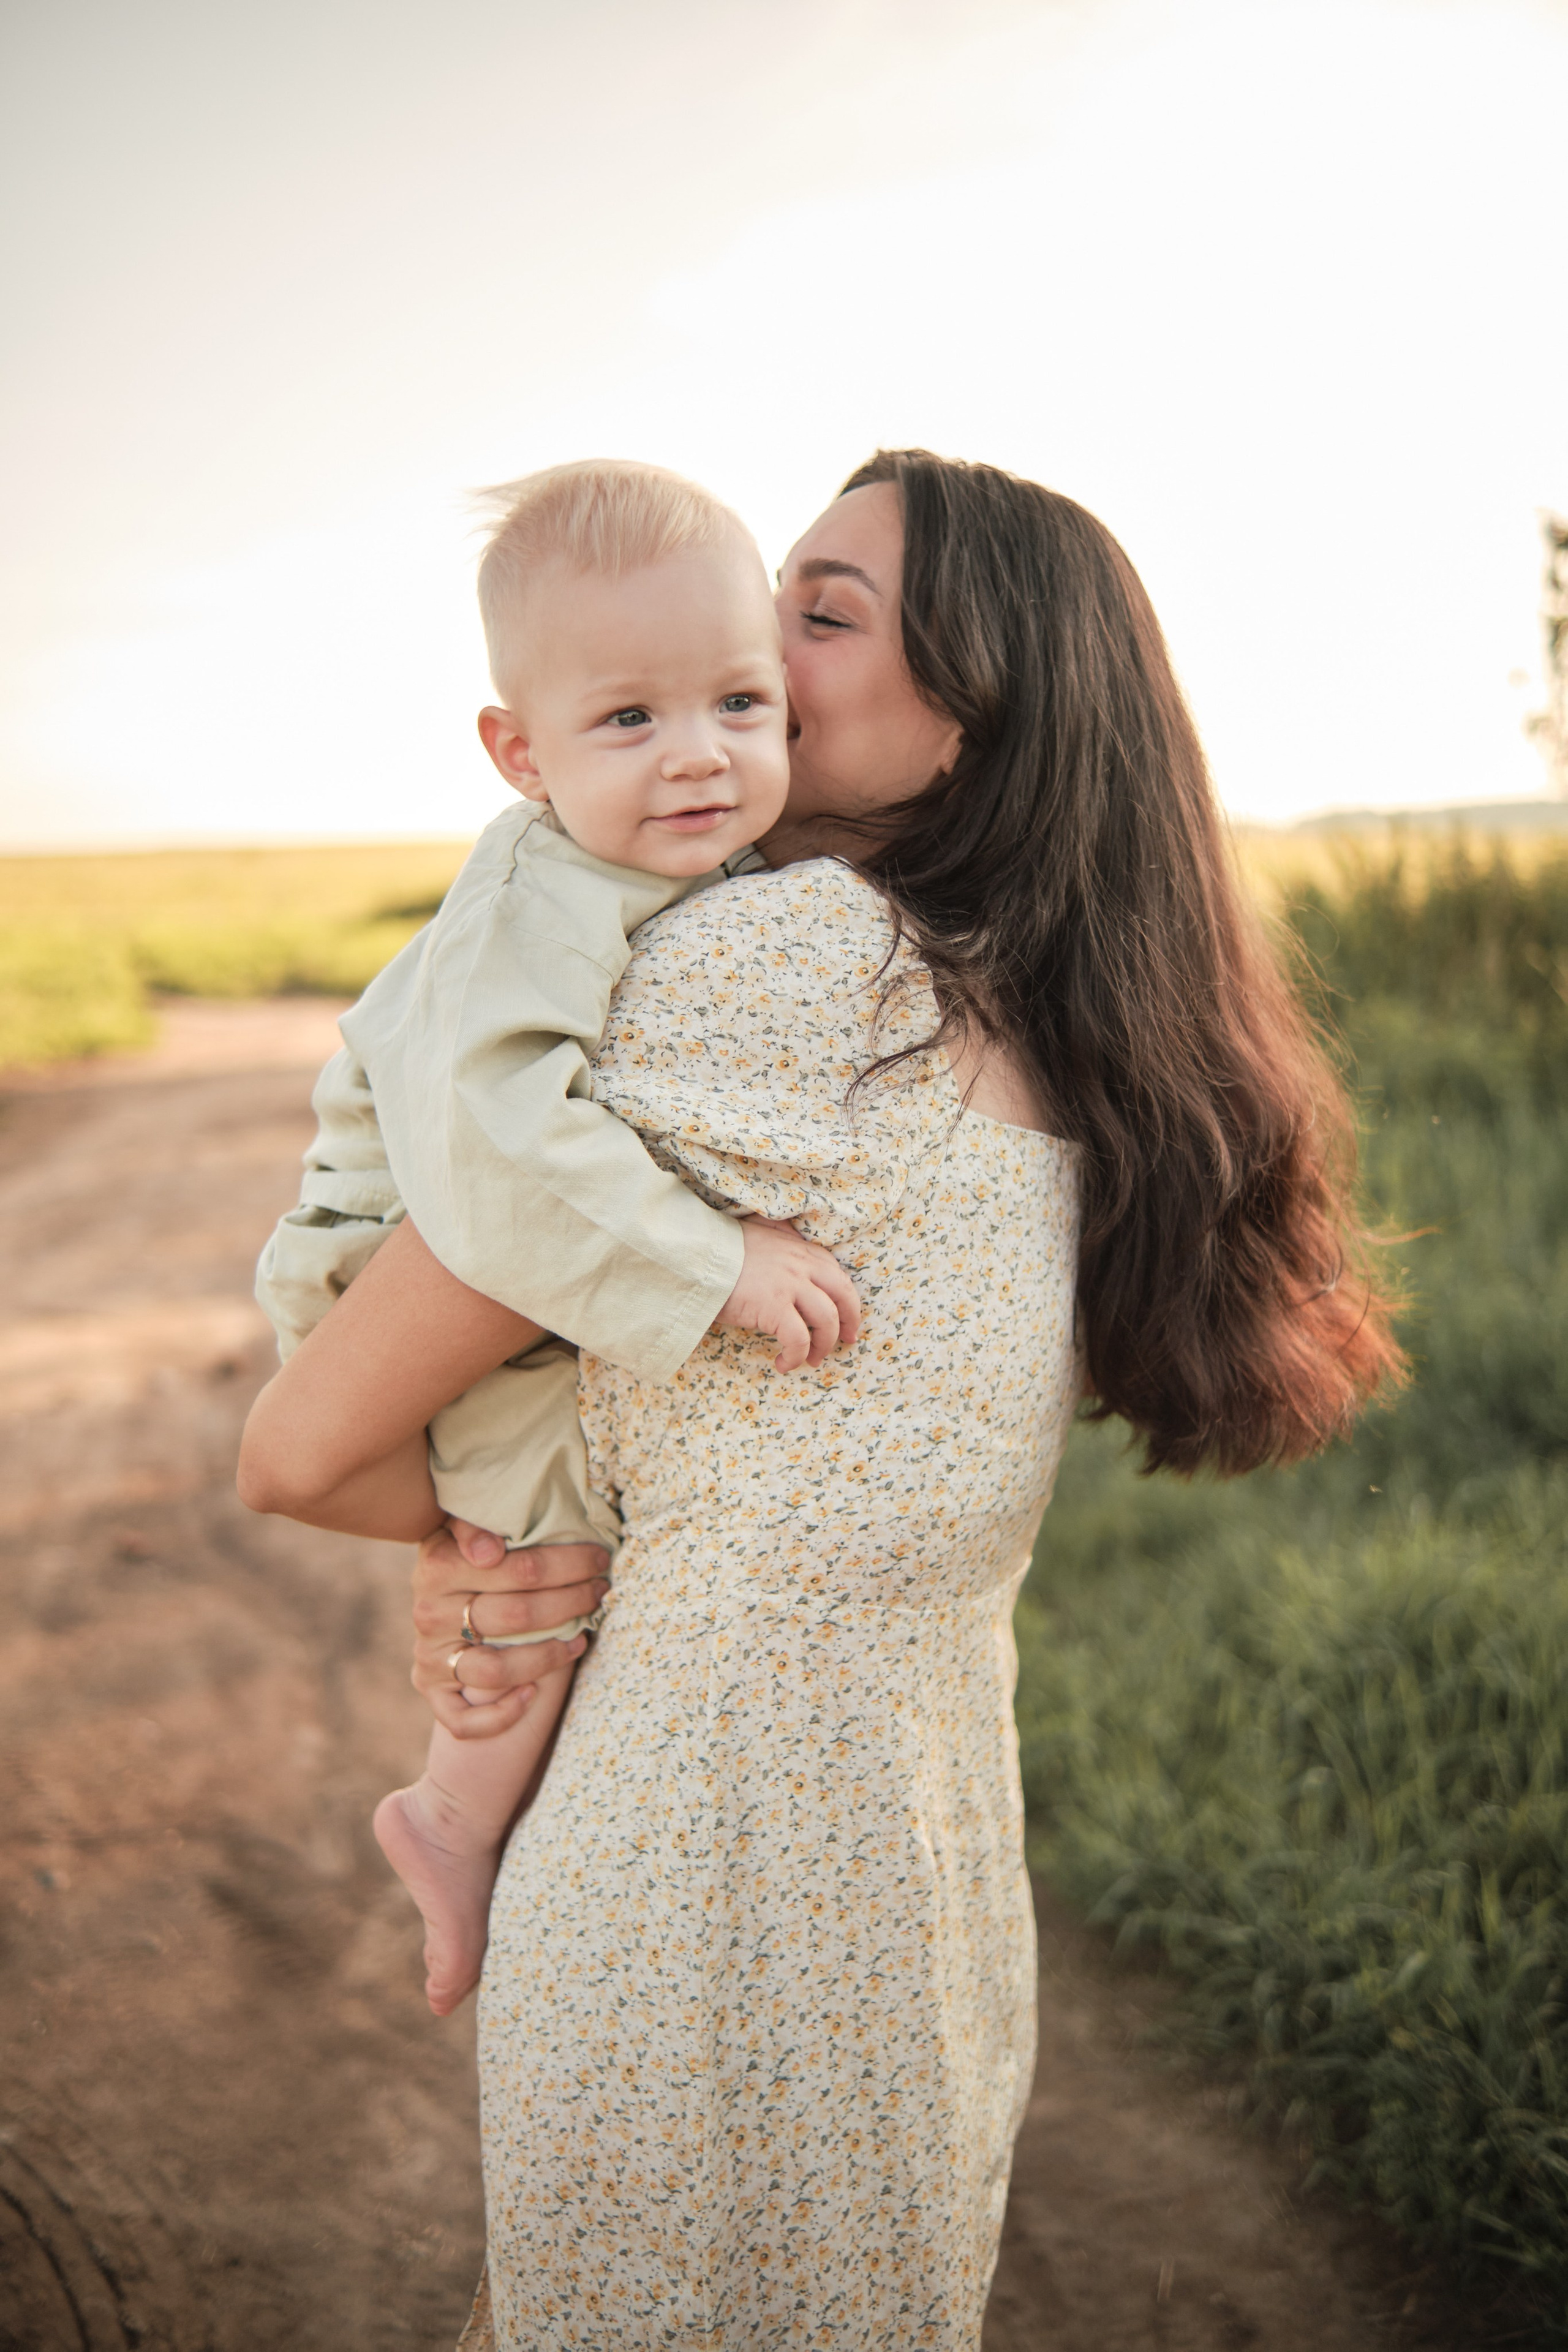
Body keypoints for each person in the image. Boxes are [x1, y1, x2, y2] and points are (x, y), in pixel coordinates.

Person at [239, 450, 1402, 2351]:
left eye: (816, 617)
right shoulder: (1046, 1018)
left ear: (974, 717)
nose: (746, 653)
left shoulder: (800, 970)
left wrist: (479, 1559)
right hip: (916, 1884)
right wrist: (521, 1554)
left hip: (709, 1869)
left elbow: (297, 1445)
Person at [244, 459, 859, 2016]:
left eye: (737, 702)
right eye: (629, 720)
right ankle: (449, 1819)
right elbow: (499, 1151)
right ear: (519, 754)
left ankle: (467, 1772)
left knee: (528, 1530)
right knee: (538, 1554)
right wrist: (715, 1265)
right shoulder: (536, 890)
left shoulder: (676, 866)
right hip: (402, 1231)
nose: (700, 757)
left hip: (480, 1236)